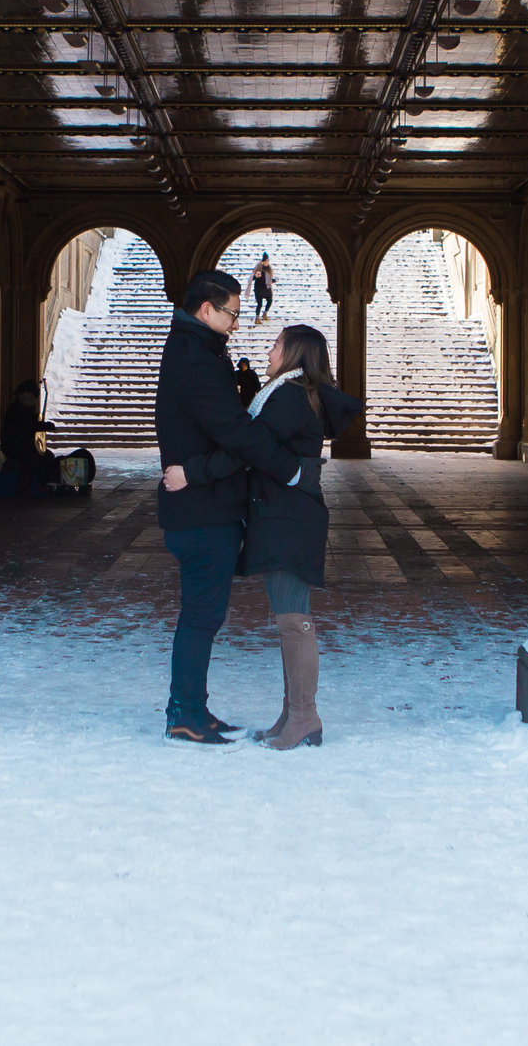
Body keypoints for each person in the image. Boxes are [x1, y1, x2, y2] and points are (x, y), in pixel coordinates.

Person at [166, 323, 360, 750]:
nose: (269, 352)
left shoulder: (288, 397)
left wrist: (192, 473)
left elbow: (247, 446)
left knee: (294, 620)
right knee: (290, 617)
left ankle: (305, 717)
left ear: (293, 353)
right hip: (286, 516)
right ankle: (293, 715)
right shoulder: (291, 394)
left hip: (288, 521)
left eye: (276, 345)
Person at [154, 269, 307, 745]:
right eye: (232, 315)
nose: (238, 324)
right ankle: (184, 715)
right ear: (206, 310)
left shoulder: (197, 351)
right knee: (201, 617)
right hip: (202, 512)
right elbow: (235, 432)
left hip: (202, 506)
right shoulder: (195, 359)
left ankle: (191, 708)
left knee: (201, 615)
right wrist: (289, 467)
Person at [0, 379, 57, 497]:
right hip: (14, 445)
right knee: (30, 460)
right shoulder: (16, 410)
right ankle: (23, 488)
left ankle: (43, 484)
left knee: (47, 456)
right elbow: (28, 426)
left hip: (24, 444)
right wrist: (44, 426)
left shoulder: (27, 409)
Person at [250, 254, 276, 324]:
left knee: (270, 300)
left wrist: (273, 280)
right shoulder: (258, 268)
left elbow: (270, 279)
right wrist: (256, 276)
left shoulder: (269, 269)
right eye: (265, 261)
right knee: (259, 304)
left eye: (267, 261)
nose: (266, 263)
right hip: (259, 289)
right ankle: (257, 318)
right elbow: (252, 278)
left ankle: (265, 313)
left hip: (267, 288)